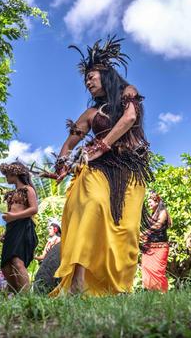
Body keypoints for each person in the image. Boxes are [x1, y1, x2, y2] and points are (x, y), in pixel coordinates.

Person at [48, 36, 153, 296]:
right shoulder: (91, 115)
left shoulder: (129, 94)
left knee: (127, 230)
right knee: (92, 207)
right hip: (96, 170)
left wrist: (102, 144)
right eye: (85, 80)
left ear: (105, 74)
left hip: (129, 170)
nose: (87, 82)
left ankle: (117, 289)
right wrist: (61, 165)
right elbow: (69, 144)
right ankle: (78, 282)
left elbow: (129, 118)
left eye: (91, 77)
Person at [0, 161, 39, 294]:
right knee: (6, 266)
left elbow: (34, 209)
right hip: (12, 229)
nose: (6, 177)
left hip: (24, 227)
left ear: (15, 173)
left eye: (7, 174)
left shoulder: (28, 189)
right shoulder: (11, 194)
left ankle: (27, 297)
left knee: (17, 261)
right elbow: (11, 215)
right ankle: (17, 294)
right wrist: (6, 232)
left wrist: (14, 217)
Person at [140, 191, 171, 292]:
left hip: (160, 247)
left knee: (157, 270)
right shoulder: (152, 214)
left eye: (150, 202)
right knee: (146, 268)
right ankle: (151, 293)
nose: (149, 204)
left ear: (157, 201)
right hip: (149, 247)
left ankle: (162, 293)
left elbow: (158, 225)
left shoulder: (163, 212)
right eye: (148, 203)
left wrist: (144, 233)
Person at [33, 219, 62, 293]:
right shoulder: (49, 241)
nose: (48, 230)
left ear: (56, 229)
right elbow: (43, 256)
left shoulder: (59, 241)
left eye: (50, 228)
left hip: (56, 266)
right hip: (46, 266)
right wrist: (33, 256)